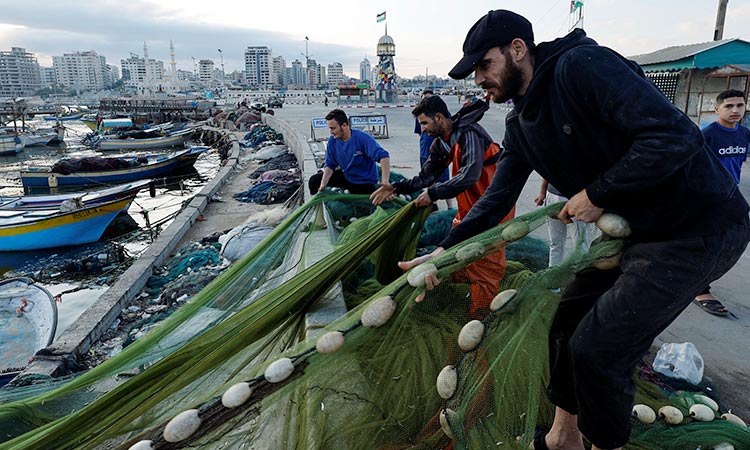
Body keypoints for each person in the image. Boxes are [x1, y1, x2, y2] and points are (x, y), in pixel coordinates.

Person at [400, 10, 750, 450]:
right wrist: (446, 250)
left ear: (517, 49)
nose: (479, 80)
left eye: (484, 66)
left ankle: (607, 443)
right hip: (639, 232)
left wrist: (597, 193)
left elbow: (674, 138)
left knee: (600, 349)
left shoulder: (582, 67)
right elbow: (496, 200)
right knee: (566, 324)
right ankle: (563, 437)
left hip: (698, 226)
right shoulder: (521, 123)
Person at [372, 95, 515, 319]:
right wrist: (397, 187)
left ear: (439, 118)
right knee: (459, 258)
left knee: (486, 265)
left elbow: (470, 175)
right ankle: (463, 300)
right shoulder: (442, 143)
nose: (422, 129)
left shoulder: (470, 134)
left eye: (425, 123)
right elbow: (426, 176)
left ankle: (481, 316)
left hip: (493, 210)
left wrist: (434, 193)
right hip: (468, 209)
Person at [693, 89, 750, 316]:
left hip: (730, 195)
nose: (735, 110)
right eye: (729, 106)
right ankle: (699, 289)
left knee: (733, 240)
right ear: (717, 109)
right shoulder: (708, 135)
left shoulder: (744, 134)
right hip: (707, 197)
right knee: (708, 242)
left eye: (740, 105)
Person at [308, 109, 391, 195]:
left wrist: (385, 181)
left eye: (333, 128)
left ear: (344, 125)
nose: (331, 132)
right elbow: (330, 164)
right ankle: (315, 207)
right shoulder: (333, 141)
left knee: (360, 199)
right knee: (314, 181)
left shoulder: (362, 138)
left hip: (364, 181)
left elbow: (383, 156)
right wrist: (323, 184)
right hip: (347, 176)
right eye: (330, 128)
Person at [534, 179, 593, 267]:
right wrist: (542, 193)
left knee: (580, 245)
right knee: (555, 242)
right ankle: (552, 272)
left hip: (578, 199)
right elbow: (547, 169)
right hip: (552, 196)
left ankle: (581, 275)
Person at [413, 90, 455, 210]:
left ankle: (450, 207)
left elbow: (466, 178)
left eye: (425, 123)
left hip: (441, 153)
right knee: (429, 177)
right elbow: (418, 132)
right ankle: (434, 205)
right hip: (425, 151)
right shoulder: (420, 116)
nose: (424, 128)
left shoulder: (465, 137)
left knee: (444, 179)